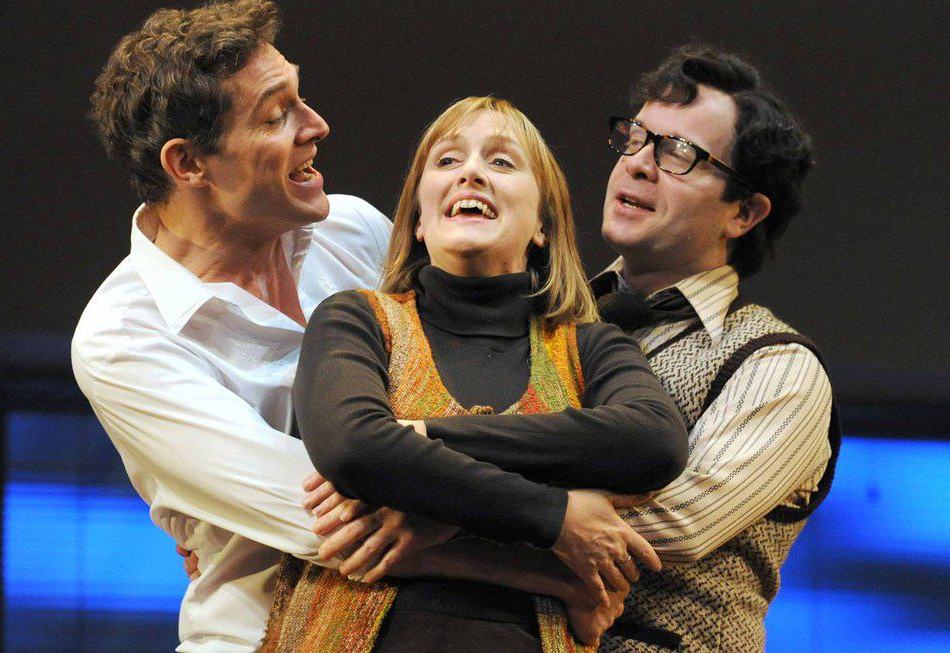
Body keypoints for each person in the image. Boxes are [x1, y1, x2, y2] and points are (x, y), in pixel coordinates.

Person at [261, 96, 689, 652]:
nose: (471, 172)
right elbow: (355, 449)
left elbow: (654, 441)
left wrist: (422, 440)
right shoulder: (356, 318)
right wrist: (557, 515)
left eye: (502, 161)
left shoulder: (589, 345)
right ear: (418, 220)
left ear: (543, 224)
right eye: (447, 161)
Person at [71, 2, 393, 650]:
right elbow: (325, 519)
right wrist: (549, 522)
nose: (317, 126)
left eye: (301, 98)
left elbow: (485, 374)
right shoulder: (123, 337)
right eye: (276, 116)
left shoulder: (354, 230)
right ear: (188, 164)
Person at [590, 45, 841, 652]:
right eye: (636, 138)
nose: (638, 165)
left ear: (744, 213)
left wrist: (450, 512)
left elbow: (675, 525)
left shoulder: (776, 365)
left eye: (678, 153)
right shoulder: (551, 315)